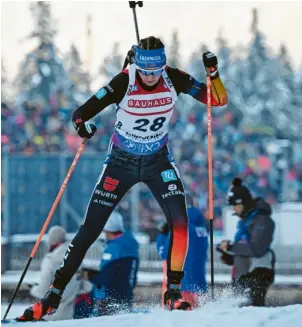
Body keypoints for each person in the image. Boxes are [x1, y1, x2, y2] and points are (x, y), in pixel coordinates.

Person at [20, 35, 228, 321]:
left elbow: (216, 100)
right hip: (121, 163)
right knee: (90, 229)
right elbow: (81, 114)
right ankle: (54, 294)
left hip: (158, 161)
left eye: (156, 71)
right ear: (138, 66)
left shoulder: (173, 78)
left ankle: (174, 291)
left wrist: (213, 74)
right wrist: (84, 129)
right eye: (146, 71)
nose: (152, 77)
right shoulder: (124, 81)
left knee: (180, 222)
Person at [216, 177, 275, 307]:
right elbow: (243, 251)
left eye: (234, 205)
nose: (233, 209)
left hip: (257, 273)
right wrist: (229, 256)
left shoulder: (262, 220)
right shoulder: (244, 222)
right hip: (242, 277)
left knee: (253, 311)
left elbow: (257, 248)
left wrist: (231, 246)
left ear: (243, 203)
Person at [27, 226, 93, 321]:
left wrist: (33, 289)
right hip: (69, 314)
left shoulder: (50, 260)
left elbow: (43, 290)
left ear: (51, 241)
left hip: (50, 315)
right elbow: (85, 286)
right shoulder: (76, 258)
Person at [156, 194, 209, 308]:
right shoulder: (201, 228)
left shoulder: (181, 228)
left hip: (183, 286)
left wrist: (162, 234)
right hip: (200, 285)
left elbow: (165, 253)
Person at [88, 211, 139, 316]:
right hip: (126, 296)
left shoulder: (114, 248)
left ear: (107, 230)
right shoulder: (131, 244)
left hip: (110, 300)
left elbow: (106, 277)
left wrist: (89, 275)